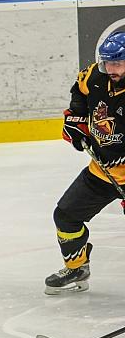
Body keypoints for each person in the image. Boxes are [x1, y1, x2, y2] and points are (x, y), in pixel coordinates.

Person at [44, 30, 125, 294]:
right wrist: (76, 122)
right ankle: (77, 267)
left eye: (117, 63)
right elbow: (79, 91)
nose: (110, 69)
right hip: (102, 170)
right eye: (108, 62)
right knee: (66, 217)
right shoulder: (95, 76)